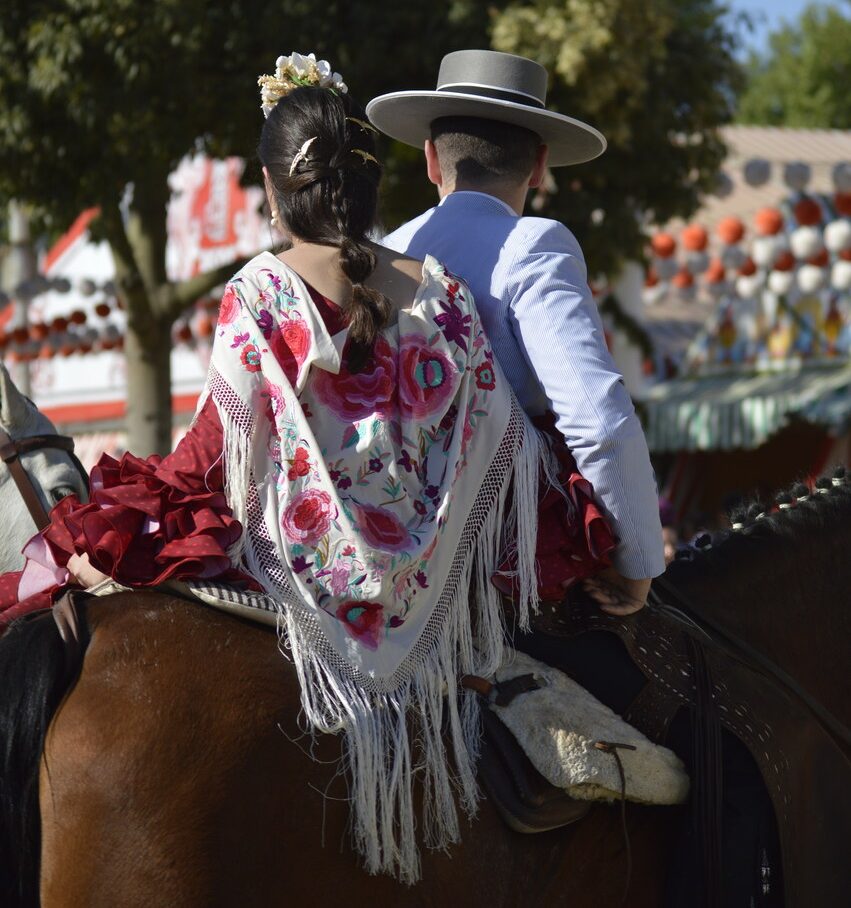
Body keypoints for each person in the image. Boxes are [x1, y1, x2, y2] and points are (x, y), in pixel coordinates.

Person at [0, 52, 615, 882]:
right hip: (437, 615)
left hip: (295, 587)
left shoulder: (260, 292)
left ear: (270, 185)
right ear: (371, 183)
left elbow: (212, 460)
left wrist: (110, 534)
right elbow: (505, 454)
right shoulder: (439, 293)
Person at [368, 50, 665, 612]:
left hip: (384, 539)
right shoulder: (536, 244)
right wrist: (638, 565)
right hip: (500, 551)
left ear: (432, 160)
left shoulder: (389, 251)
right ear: (540, 166)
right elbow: (598, 422)